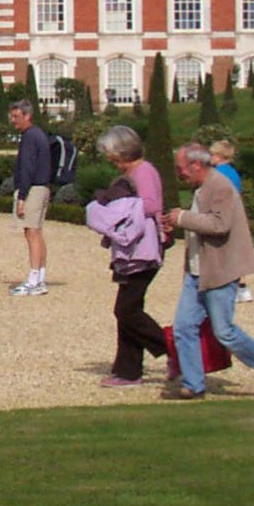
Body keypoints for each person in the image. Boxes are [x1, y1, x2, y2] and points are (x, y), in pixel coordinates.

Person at [160, 144, 254, 400]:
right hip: (197, 272)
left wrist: (182, 218)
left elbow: (220, 224)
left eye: (180, 168)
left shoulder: (220, 186)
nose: (179, 174)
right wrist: (178, 222)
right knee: (184, 328)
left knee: (224, 331)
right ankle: (194, 385)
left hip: (219, 271)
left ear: (196, 165)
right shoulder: (202, 188)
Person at [85, 125, 168, 386]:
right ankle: (128, 370)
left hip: (143, 250)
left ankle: (175, 349)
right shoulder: (136, 172)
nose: (110, 160)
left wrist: (115, 209)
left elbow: (152, 205)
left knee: (126, 310)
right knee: (128, 310)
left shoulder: (143, 172)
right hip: (131, 251)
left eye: (112, 155)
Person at [8, 99, 53, 296]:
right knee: (37, 232)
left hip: (33, 189)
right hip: (42, 187)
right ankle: (40, 277)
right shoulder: (39, 134)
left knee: (31, 233)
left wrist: (22, 197)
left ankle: (34, 280)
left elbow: (27, 168)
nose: (13, 120)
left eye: (16, 116)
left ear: (27, 116)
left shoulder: (29, 136)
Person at [209, 138, 252, 302]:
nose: (210, 157)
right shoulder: (233, 172)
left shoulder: (217, 174)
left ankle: (231, 288)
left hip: (223, 215)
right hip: (236, 213)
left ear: (220, 156)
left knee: (224, 252)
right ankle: (242, 287)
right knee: (236, 251)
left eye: (212, 154)